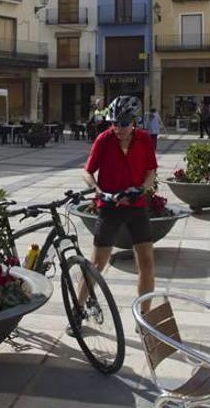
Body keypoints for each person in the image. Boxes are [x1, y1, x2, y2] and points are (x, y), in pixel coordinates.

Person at [81, 95, 158, 322]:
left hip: (136, 207)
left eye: (123, 123)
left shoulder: (143, 140)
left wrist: (141, 189)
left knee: (146, 262)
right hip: (109, 207)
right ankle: (77, 310)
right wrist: (97, 189)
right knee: (96, 264)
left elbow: (150, 172)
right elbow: (86, 171)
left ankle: (144, 315)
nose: (118, 128)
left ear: (134, 121)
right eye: (114, 123)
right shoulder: (104, 140)